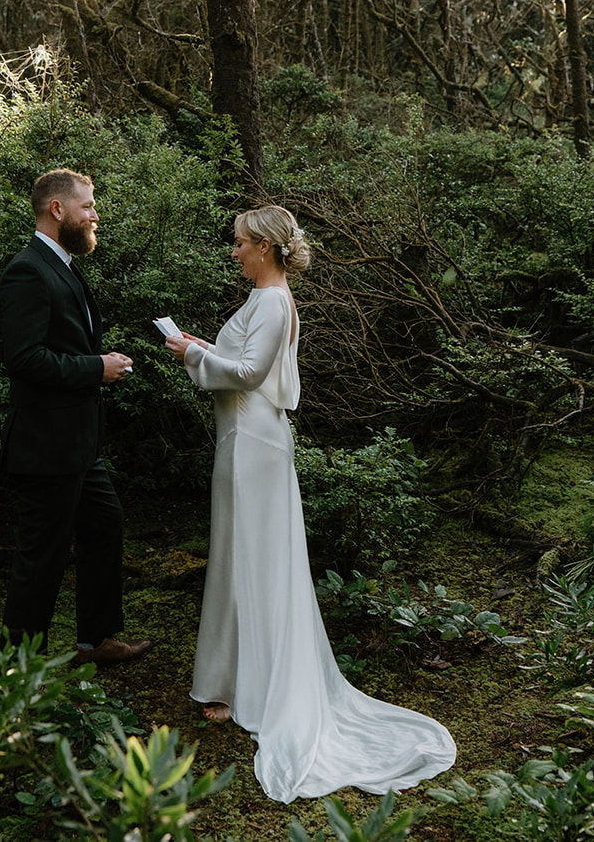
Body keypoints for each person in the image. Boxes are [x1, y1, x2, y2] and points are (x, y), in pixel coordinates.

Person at [165, 205, 456, 803]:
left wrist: (192, 356)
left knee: (256, 560)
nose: (235, 250)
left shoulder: (273, 302)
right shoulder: (261, 300)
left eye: (241, 242)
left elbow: (247, 375)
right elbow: (240, 359)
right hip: (241, 440)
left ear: (267, 248)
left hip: (254, 444)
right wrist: (198, 343)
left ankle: (259, 688)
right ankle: (235, 678)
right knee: (238, 557)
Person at [0, 169, 151, 666]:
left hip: (80, 445)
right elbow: (23, 359)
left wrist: (97, 362)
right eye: (86, 206)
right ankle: (19, 672)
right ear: (57, 211)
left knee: (106, 525)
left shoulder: (62, 265)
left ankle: (96, 639)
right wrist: (95, 368)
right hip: (46, 446)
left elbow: (60, 345)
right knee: (40, 558)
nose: (95, 215)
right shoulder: (27, 269)